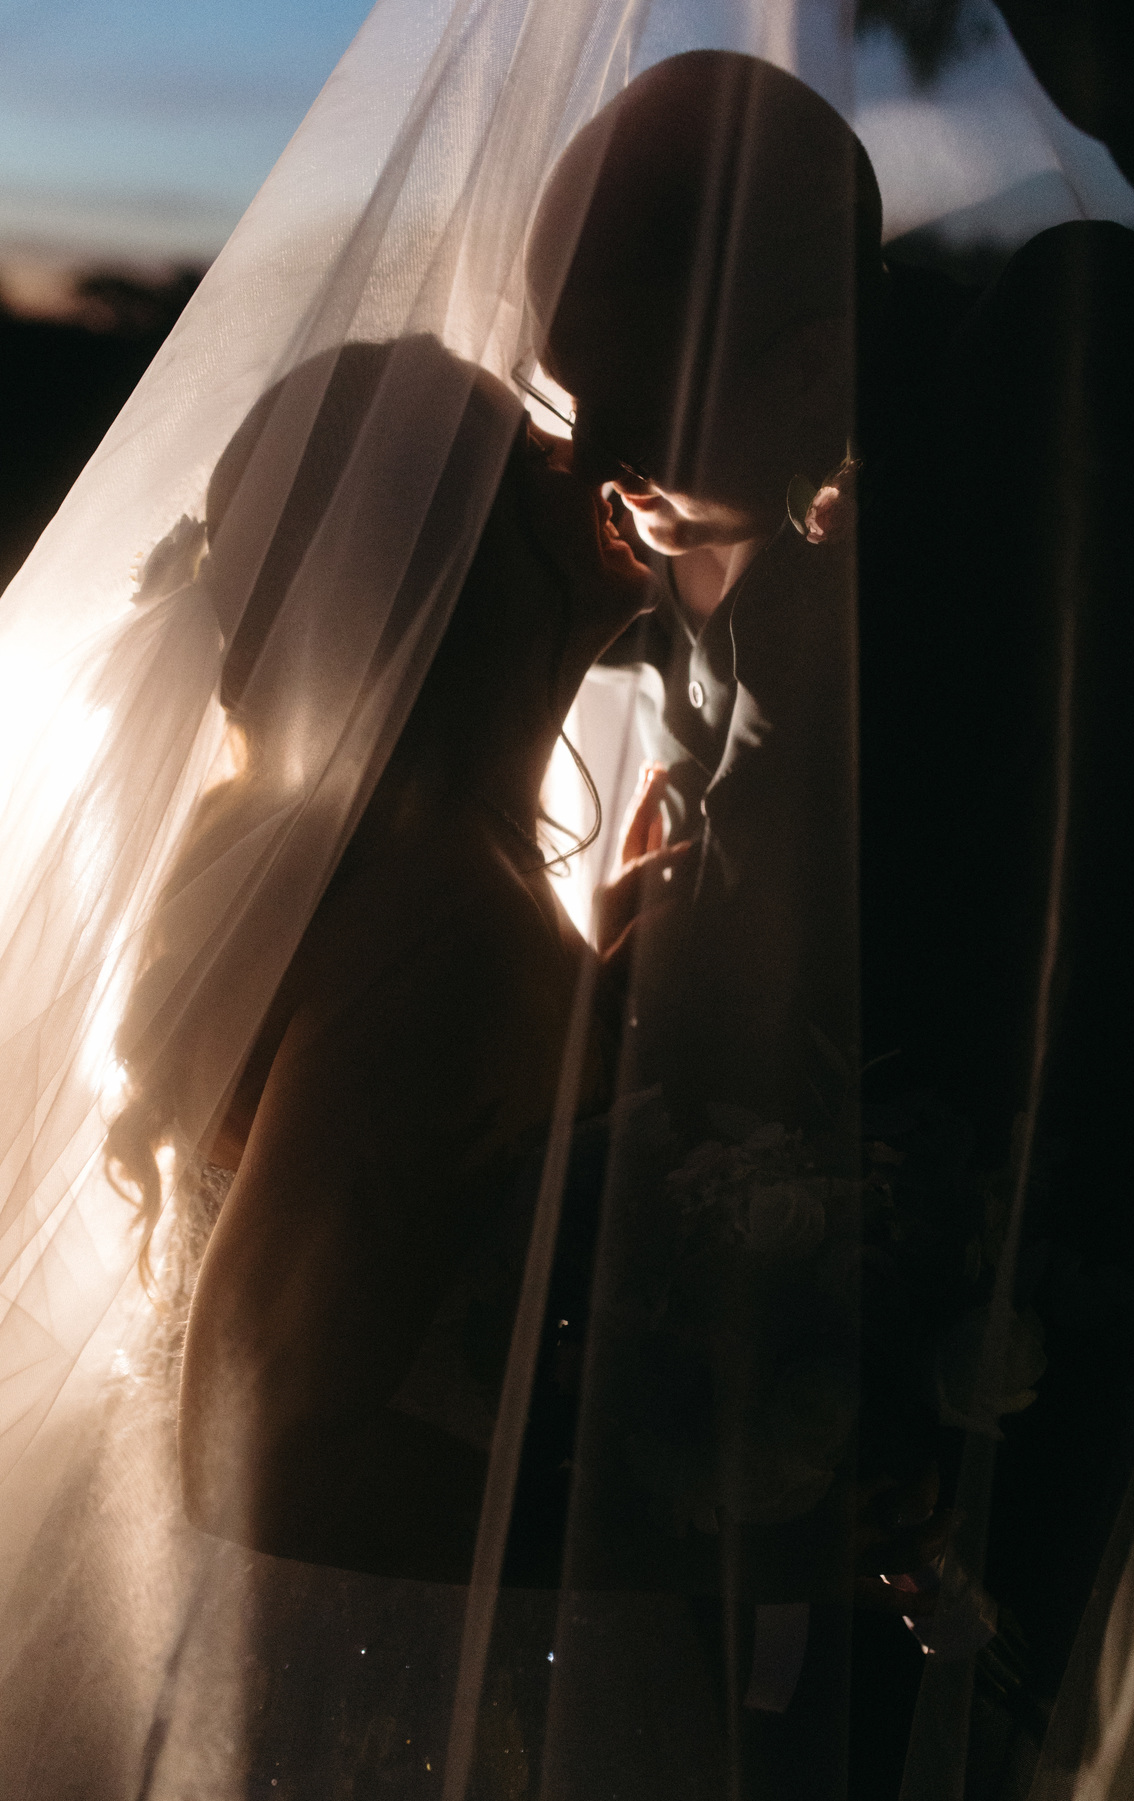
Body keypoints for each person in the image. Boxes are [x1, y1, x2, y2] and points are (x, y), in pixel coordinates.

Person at [526, 44, 1134, 1794]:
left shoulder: (1030, 436)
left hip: (1043, 1393)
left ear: (816, 364)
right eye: (569, 396)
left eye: (630, 403)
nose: (594, 462)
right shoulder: (789, 566)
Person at [100, 334, 654, 1579]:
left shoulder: (432, 873)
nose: (594, 459)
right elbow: (257, 1456)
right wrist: (721, 1540)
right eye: (536, 451)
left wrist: (605, 1001)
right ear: (446, 561)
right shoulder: (446, 921)